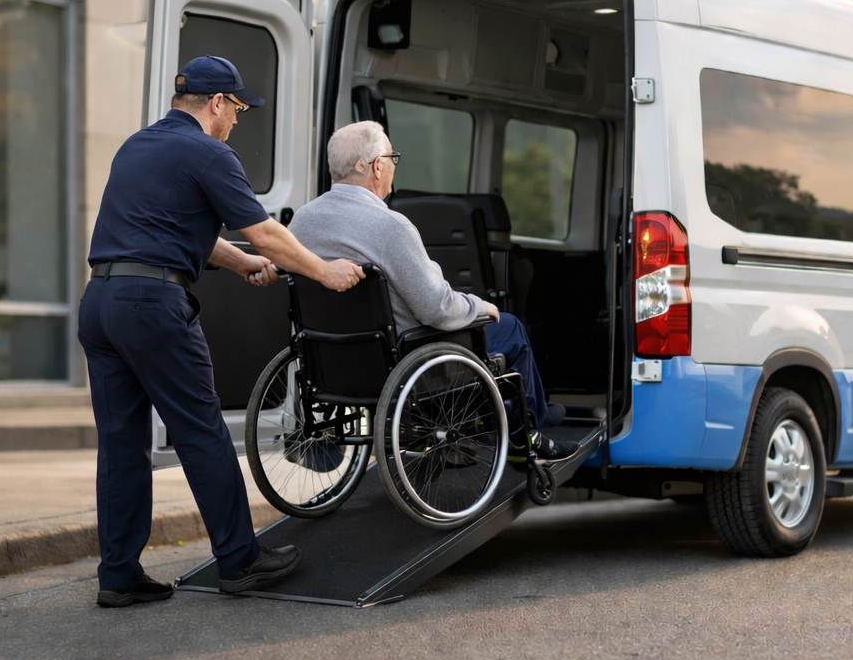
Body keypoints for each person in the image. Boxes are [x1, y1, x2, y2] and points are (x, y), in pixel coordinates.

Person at [80, 55, 365, 608]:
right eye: (235, 108)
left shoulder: (136, 146)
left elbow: (184, 230)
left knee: (121, 445)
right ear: (215, 105)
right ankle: (239, 559)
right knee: (201, 429)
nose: (236, 120)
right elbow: (266, 231)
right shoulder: (210, 152)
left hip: (101, 302)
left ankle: (118, 574)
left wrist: (243, 265)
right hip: (151, 305)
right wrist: (323, 270)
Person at [289, 121, 576, 459]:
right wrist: (478, 305)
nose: (393, 166)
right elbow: (436, 308)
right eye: (392, 158)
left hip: (332, 364)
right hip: (405, 357)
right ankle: (528, 432)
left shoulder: (301, 222)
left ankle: (535, 411)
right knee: (509, 327)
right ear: (377, 167)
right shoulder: (391, 227)